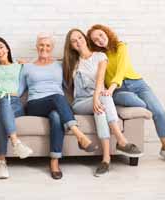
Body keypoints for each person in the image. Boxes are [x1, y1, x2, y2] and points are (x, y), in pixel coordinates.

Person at [87, 24, 165, 165]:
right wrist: (109, 90)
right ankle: (143, 106)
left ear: (106, 32)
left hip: (137, 84)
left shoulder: (120, 46)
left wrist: (111, 87)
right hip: (119, 91)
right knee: (136, 102)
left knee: (158, 111)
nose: (99, 39)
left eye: (100, 35)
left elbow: (121, 70)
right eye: (94, 39)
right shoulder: (99, 56)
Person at [63, 28, 142, 177]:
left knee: (101, 105)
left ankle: (106, 159)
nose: (78, 42)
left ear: (85, 39)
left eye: (79, 37)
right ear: (72, 46)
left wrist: (95, 98)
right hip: (80, 103)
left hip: (99, 98)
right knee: (102, 100)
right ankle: (121, 141)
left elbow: (100, 78)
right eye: (74, 41)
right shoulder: (72, 62)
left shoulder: (100, 56)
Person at [19, 33, 99, 180]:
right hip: (35, 105)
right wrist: (12, 67)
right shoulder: (27, 66)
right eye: (41, 45)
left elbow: (70, 84)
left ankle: (54, 161)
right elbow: (19, 91)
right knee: (57, 97)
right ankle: (79, 135)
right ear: (36, 47)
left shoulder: (59, 65)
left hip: (56, 105)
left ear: (52, 48)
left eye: (48, 45)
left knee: (56, 116)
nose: (44, 48)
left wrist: (95, 89)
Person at [0, 37, 33, 179]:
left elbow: (32, 73)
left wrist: (27, 64)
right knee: (3, 103)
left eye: (1, 47)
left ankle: (1, 162)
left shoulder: (19, 66)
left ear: (7, 48)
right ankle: (16, 142)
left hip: (16, 103)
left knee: (1, 117)